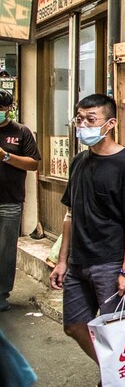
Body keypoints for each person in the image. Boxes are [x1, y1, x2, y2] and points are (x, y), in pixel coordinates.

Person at [49, 94, 125, 366]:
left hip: (110, 263)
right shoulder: (79, 161)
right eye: (79, 119)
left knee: (116, 331)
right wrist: (61, 260)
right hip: (78, 262)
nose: (83, 125)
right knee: (74, 324)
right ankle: (115, 373)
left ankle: (121, 379)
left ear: (110, 123)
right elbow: (70, 213)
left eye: (91, 120)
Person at [0, 89, 40, 312]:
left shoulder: (21, 132)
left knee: (6, 250)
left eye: (2, 109)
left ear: (9, 109)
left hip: (10, 200)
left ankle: (1, 293)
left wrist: (6, 156)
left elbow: (33, 164)